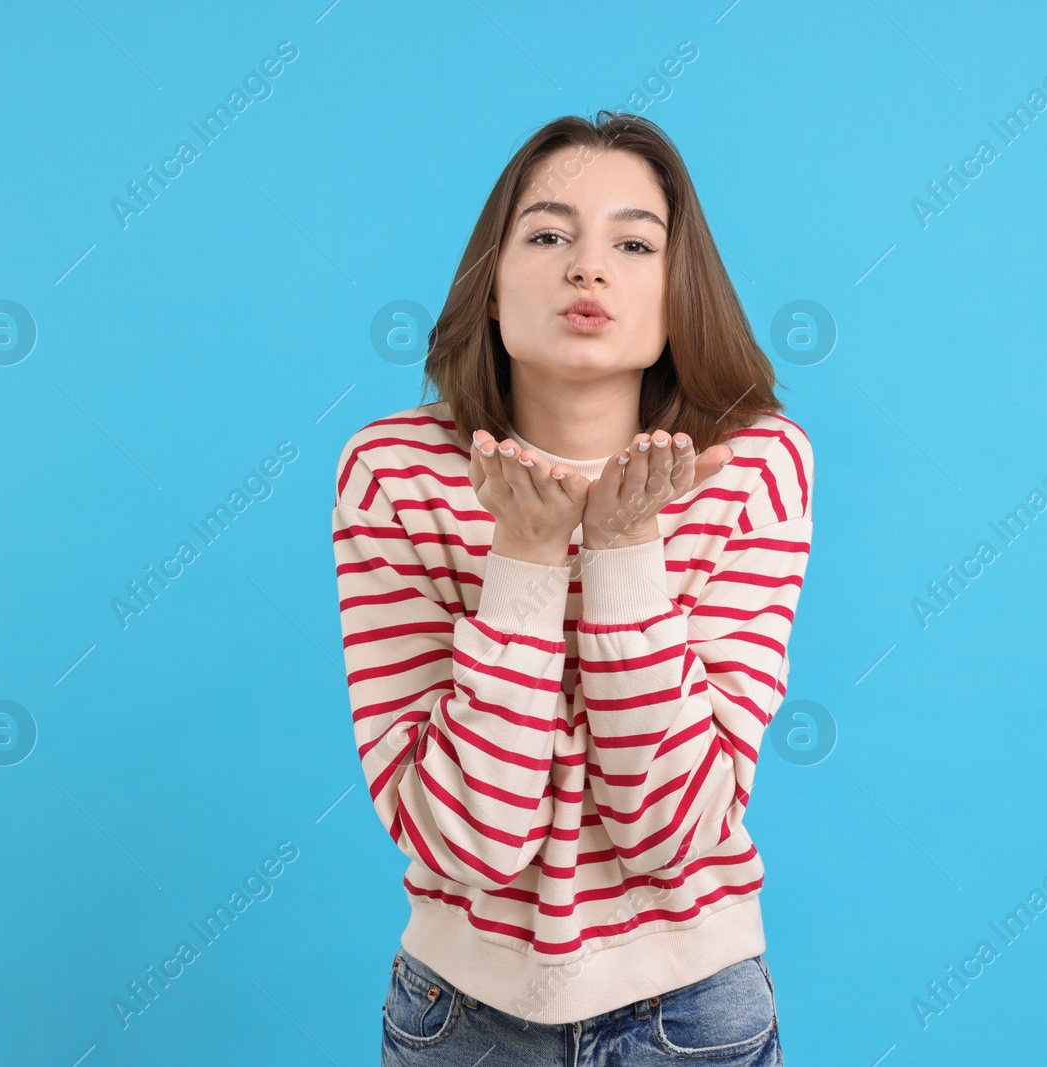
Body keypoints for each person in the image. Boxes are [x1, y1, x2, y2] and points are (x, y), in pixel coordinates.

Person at [333, 111, 813, 1065]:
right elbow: (472, 841)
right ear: (492, 280)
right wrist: (523, 557)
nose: (587, 268)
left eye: (634, 242)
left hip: (692, 1011)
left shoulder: (754, 467)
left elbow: (671, 832)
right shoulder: (395, 473)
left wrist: (625, 548)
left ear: (680, 294)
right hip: (461, 1014)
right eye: (548, 234)